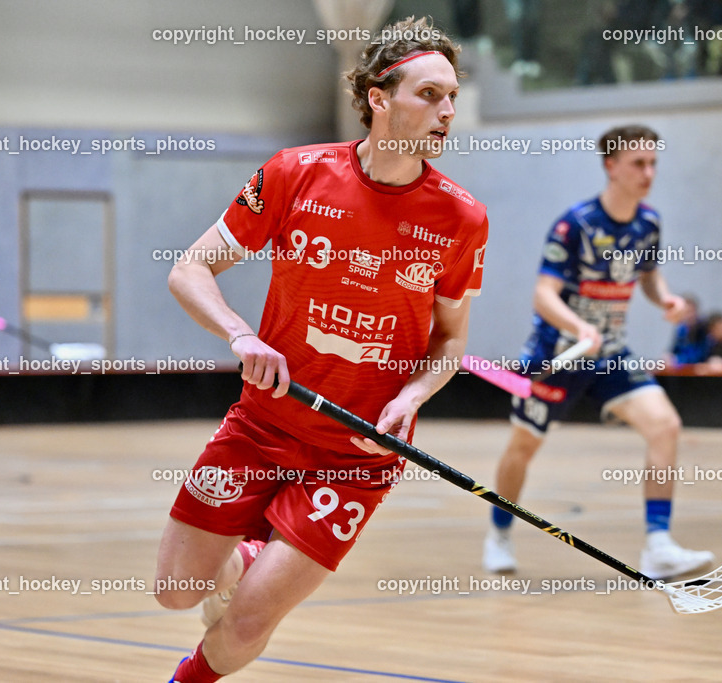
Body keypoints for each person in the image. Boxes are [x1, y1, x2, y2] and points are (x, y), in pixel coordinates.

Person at [156, 17, 489, 682]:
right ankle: (245, 553)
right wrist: (240, 333)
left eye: (453, 95)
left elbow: (451, 342)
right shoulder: (295, 174)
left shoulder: (461, 219)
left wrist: (412, 394)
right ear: (378, 98)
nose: (448, 111)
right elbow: (189, 269)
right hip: (261, 424)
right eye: (429, 95)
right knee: (175, 590)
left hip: (358, 452)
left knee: (249, 620)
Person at [482, 125, 713, 580]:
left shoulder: (649, 223)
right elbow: (543, 295)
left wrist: (664, 298)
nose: (648, 173)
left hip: (610, 354)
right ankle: (499, 533)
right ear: (611, 166)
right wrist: (577, 325)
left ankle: (659, 545)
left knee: (665, 426)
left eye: (653, 164)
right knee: (523, 448)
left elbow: (647, 275)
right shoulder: (576, 224)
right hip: (557, 355)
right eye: (638, 164)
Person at [667, 293, 707, 365]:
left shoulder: (704, 328)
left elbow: (701, 356)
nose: (688, 316)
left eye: (690, 311)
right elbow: (674, 350)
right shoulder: (682, 329)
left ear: (696, 311)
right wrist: (669, 356)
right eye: (685, 312)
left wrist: (677, 359)